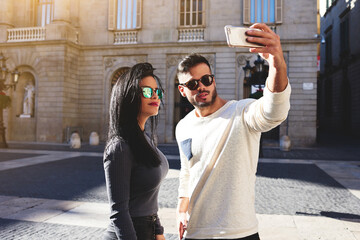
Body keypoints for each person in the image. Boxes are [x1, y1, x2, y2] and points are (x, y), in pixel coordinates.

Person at [175, 23, 291, 240]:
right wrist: (182, 209)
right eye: (192, 84)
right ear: (182, 90)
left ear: (213, 80)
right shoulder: (183, 126)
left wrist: (277, 62)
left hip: (240, 232)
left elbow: (275, 110)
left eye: (206, 80)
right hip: (196, 232)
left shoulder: (242, 112)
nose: (201, 87)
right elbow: (187, 172)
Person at [103, 63, 169, 240]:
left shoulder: (144, 139)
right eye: (147, 91)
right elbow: (119, 213)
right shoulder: (119, 147)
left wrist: (158, 230)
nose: (155, 96)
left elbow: (149, 198)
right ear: (130, 96)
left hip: (148, 231)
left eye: (158, 91)